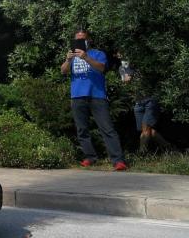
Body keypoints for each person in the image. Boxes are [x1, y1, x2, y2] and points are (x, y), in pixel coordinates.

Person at [60, 29, 127, 171]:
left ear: (88, 40)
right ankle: (90, 157)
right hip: (77, 96)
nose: (80, 41)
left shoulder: (98, 54)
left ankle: (118, 160)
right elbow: (63, 71)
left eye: (83, 39)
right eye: (77, 39)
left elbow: (102, 68)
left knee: (107, 128)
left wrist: (86, 58)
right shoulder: (72, 56)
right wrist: (67, 60)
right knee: (82, 129)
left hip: (97, 95)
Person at [119, 57, 171, 153]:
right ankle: (169, 148)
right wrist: (126, 71)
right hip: (138, 103)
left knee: (145, 129)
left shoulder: (142, 63)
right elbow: (125, 82)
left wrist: (129, 72)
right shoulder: (122, 68)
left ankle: (142, 154)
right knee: (150, 131)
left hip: (150, 100)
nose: (120, 55)